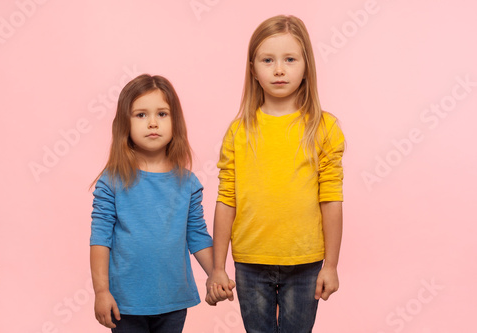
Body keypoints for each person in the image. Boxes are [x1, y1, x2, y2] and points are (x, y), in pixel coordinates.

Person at [205, 15, 345, 332]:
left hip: (306, 263)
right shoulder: (239, 132)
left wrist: (331, 265)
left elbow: (331, 199)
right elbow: (226, 199)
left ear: (306, 66)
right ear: (253, 69)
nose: (279, 69)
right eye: (268, 60)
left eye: (290, 59)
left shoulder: (324, 129)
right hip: (250, 263)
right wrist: (217, 267)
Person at [89, 74, 231, 333]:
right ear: (125, 123)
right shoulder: (111, 181)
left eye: (162, 114)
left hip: (173, 300)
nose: (152, 123)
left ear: (175, 121)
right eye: (141, 115)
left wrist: (216, 273)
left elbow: (197, 235)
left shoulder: (188, 183)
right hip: (125, 303)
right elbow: (100, 239)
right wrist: (101, 291)